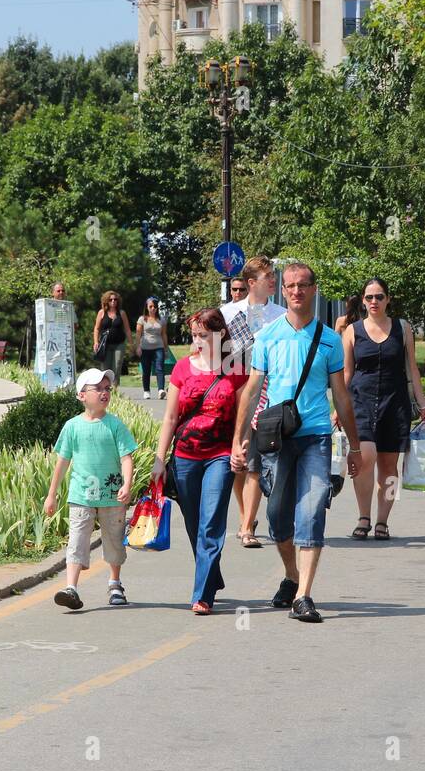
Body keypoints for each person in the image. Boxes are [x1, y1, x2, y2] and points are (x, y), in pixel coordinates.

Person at [231, 262, 361, 624]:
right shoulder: (268, 336)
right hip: (276, 438)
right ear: (282, 292)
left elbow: (341, 396)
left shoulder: (330, 340)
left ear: (314, 290)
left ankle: (304, 595)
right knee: (276, 518)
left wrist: (354, 447)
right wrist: (239, 440)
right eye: (290, 286)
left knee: (312, 510)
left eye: (303, 285)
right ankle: (291, 574)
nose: (297, 291)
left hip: (316, 436)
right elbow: (252, 388)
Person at [152, 308, 250, 615]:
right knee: (194, 525)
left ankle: (203, 594)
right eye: (194, 335)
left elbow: (242, 417)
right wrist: (159, 458)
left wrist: (238, 446)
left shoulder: (236, 370)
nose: (197, 341)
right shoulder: (182, 368)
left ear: (220, 335)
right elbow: (170, 418)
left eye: (204, 335)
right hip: (184, 457)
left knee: (211, 524)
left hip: (219, 456)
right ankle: (212, 574)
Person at [341, 278, 425, 541]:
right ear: (362, 300)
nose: (373, 302)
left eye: (379, 297)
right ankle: (363, 516)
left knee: (390, 467)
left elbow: (412, 368)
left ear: (388, 299)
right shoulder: (352, 331)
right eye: (369, 297)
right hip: (361, 403)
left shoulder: (402, 329)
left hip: (395, 403)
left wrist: (423, 404)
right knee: (364, 458)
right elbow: (346, 373)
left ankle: (383, 520)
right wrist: (339, 407)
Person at [44, 367, 137, 610]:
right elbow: (62, 462)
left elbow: (126, 457)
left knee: (114, 539)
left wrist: (127, 484)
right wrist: (51, 495)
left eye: (107, 388)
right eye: (98, 388)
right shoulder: (72, 427)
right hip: (80, 495)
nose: (104, 392)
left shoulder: (115, 425)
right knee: (77, 540)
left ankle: (115, 583)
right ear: (82, 395)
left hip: (112, 495)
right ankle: (71, 588)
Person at [219, 256, 286, 549]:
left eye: (273, 275)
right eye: (267, 276)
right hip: (234, 393)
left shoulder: (282, 314)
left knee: (256, 459)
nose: (273, 280)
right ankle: (246, 514)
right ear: (251, 283)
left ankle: (247, 526)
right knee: (238, 461)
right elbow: (217, 357)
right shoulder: (228, 313)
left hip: (267, 394)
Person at [93, 291, 133, 387]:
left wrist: (131, 345)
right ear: (107, 301)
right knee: (105, 370)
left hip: (119, 344)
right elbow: (97, 328)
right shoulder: (102, 312)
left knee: (117, 367)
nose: (113, 301)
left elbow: (127, 329)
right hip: (105, 345)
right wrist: (95, 342)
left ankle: (115, 390)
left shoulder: (122, 313)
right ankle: (105, 389)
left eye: (115, 299)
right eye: (111, 299)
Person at [135, 297, 169, 400]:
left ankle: (161, 390)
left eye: (155, 306)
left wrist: (166, 348)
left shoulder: (161, 320)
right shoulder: (142, 319)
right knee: (146, 370)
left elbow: (164, 334)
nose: (153, 308)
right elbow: (138, 334)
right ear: (147, 307)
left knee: (160, 368)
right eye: (151, 306)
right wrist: (138, 347)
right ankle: (146, 391)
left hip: (159, 347)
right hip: (145, 348)